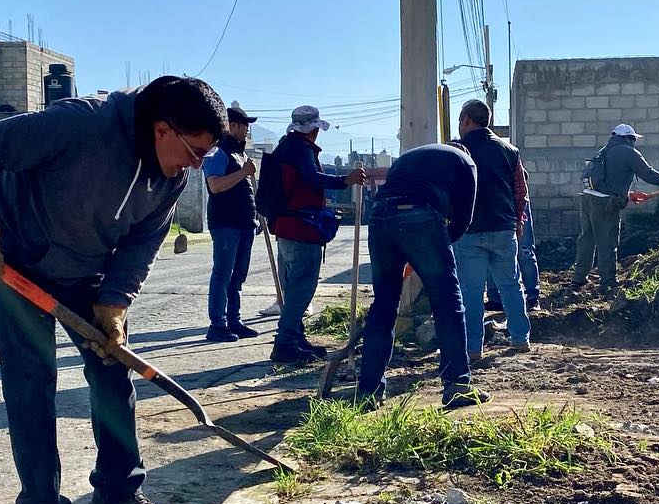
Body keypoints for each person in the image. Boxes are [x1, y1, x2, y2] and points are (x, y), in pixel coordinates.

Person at [0, 75, 228, 504]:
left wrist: (115, 303)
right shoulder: (82, 124)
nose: (196, 164)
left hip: (90, 274)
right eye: (195, 150)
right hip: (20, 267)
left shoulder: (171, 178)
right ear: (162, 129)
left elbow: (143, 241)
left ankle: (117, 492)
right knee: (32, 385)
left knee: (112, 372)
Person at [356, 142, 487, 410]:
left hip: (380, 216)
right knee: (448, 302)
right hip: (421, 214)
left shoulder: (412, 157)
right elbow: (463, 219)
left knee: (384, 303)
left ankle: (368, 390)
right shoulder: (466, 162)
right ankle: (458, 385)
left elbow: (395, 196)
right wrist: (432, 252)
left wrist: (415, 255)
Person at [261, 105, 367, 365]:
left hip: (287, 228)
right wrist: (345, 180)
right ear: (312, 129)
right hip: (301, 229)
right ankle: (285, 343)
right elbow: (311, 178)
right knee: (300, 290)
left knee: (295, 287)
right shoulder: (301, 149)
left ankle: (296, 338)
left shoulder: (285, 146)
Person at [450, 100, 530, 361]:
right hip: (504, 228)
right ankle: (520, 338)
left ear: (466, 120)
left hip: (469, 230)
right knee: (510, 285)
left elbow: (447, 190)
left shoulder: (458, 150)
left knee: (471, 293)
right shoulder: (509, 150)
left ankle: (473, 348)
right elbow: (520, 189)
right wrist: (517, 220)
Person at [573, 123, 659, 294]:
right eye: (633, 139)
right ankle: (608, 283)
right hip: (605, 204)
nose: (634, 142)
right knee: (607, 242)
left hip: (588, 199)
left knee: (586, 239)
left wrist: (627, 195)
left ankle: (578, 278)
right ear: (628, 138)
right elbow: (647, 173)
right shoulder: (628, 151)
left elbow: (608, 178)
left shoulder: (604, 150)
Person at [203, 106, 259, 342]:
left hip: (244, 223)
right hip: (226, 224)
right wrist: (244, 172)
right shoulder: (217, 152)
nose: (247, 130)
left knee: (238, 276)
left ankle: (234, 320)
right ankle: (217, 324)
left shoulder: (240, 153)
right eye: (244, 125)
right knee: (223, 274)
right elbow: (215, 186)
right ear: (232, 126)